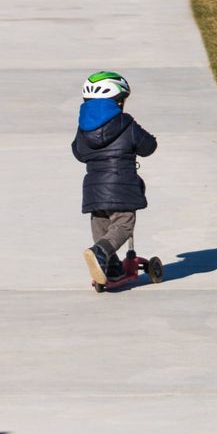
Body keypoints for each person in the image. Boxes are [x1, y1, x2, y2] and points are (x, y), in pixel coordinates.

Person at [72, 71, 160, 286]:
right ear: (118, 101)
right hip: (122, 185)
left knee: (101, 225)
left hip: (93, 189)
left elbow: (79, 153)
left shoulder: (83, 128)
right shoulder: (125, 123)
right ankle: (100, 253)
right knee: (123, 225)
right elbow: (148, 147)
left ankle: (111, 267)